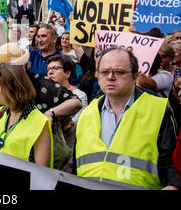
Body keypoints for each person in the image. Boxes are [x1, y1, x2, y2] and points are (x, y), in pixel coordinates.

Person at [74, 47, 181, 190]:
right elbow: (77, 167)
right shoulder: (87, 113)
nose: (110, 77)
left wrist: (173, 186)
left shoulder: (158, 109)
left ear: (135, 76)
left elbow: (171, 167)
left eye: (119, 72)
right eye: (105, 72)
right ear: (97, 75)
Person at [0, 43, 82, 170]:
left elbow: (76, 102)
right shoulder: (2, 112)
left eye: (8, 67)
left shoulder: (41, 83)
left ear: (22, 66)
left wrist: (51, 113)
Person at [0, 63, 53, 167]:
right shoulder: (1, 112)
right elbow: (4, 144)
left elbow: (42, 172)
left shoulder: (40, 122)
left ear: (8, 88)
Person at [46, 55, 88, 148]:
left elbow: (72, 127)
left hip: (69, 149)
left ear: (67, 73)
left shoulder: (80, 96)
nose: (50, 72)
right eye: (48, 69)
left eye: (55, 68)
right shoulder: (44, 94)